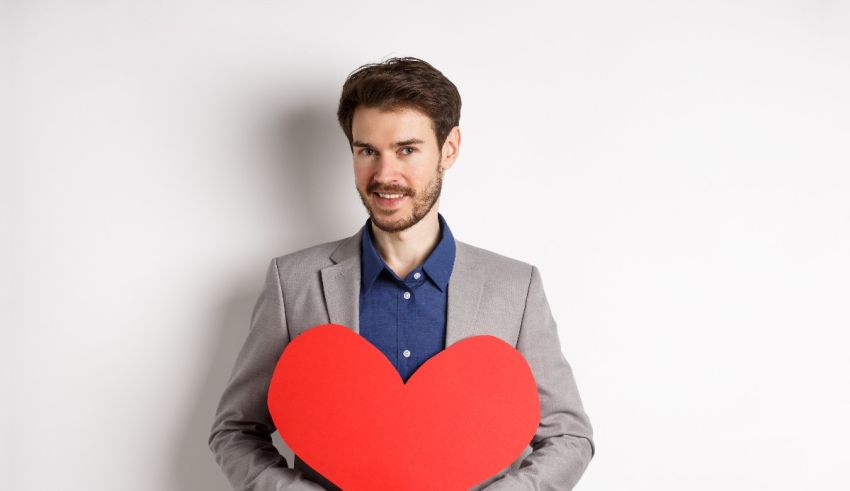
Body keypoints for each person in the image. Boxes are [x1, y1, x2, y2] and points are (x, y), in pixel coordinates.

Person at [209, 56, 595, 490]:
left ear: (448, 149)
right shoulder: (292, 281)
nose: (384, 174)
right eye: (367, 151)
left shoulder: (515, 288)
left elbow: (568, 435)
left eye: (406, 149)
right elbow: (235, 431)